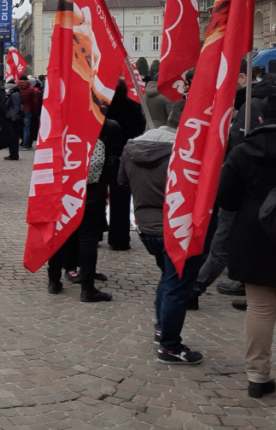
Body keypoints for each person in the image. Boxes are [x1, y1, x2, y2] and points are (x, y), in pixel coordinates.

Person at [117, 100, 202, 363]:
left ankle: (161, 328)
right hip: (176, 227)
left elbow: (121, 182)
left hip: (145, 226)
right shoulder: (185, 151)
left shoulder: (133, 146)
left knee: (168, 277)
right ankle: (169, 346)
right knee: (177, 286)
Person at [216, 92, 276, 396]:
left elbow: (226, 200)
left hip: (254, 233)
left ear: (260, 119)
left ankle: (257, 377)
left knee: (259, 307)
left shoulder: (242, 152)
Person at [47, 123, 116, 303]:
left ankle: (54, 280)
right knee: (88, 239)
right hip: (91, 194)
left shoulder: (62, 131)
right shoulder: (99, 135)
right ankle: (87, 288)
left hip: (64, 191)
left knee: (59, 235)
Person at [104, 80, 144, 250]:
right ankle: (119, 238)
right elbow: (140, 129)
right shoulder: (134, 107)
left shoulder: (104, 107)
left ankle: (96, 232)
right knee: (121, 198)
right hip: (125, 155)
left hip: (105, 154)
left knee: (97, 196)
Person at [2, 80, 22, 161]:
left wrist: (13, 117)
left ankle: (14, 154)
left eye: (6, 88)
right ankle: (12, 153)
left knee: (14, 137)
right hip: (11, 117)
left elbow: (16, 106)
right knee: (12, 137)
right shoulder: (12, 94)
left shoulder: (14, 94)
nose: (5, 89)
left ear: (10, 88)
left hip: (13, 119)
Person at [17, 75, 38, 149]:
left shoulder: (17, 88)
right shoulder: (31, 89)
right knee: (27, 127)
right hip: (28, 110)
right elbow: (35, 101)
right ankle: (26, 145)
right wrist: (35, 110)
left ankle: (21, 142)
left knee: (19, 127)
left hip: (18, 110)